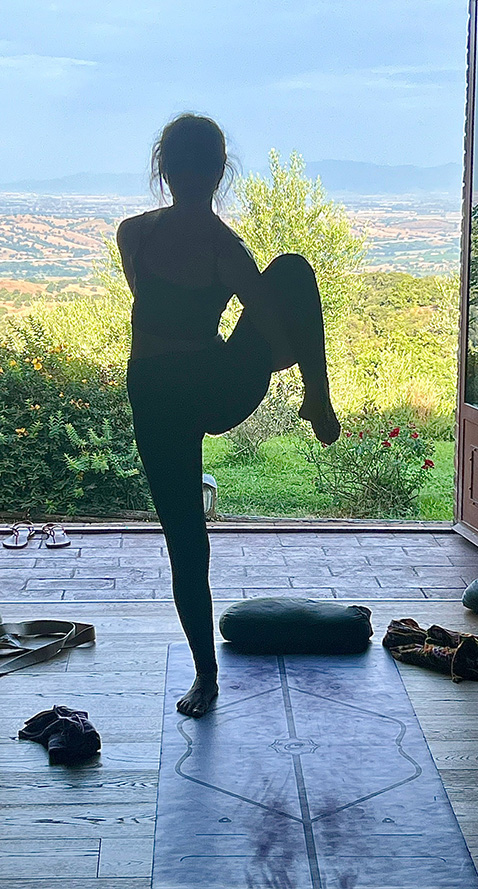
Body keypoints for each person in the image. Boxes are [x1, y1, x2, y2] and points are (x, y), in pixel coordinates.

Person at [117, 113, 341, 718]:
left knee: (185, 539)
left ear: (164, 169)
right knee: (293, 270)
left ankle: (205, 679)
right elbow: (276, 338)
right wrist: (284, 354)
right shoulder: (228, 250)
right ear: (220, 172)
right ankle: (317, 397)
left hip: (157, 389)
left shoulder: (133, 235)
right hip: (215, 386)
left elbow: (150, 307)